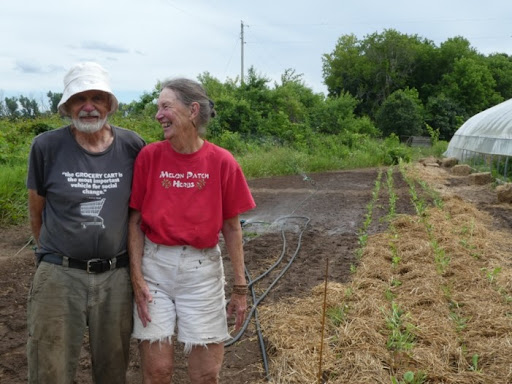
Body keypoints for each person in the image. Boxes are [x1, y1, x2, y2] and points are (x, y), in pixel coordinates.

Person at [128, 78, 256, 383]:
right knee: (157, 371)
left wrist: (239, 288)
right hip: (155, 269)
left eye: (165, 106)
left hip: (202, 273)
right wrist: (136, 278)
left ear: (193, 110)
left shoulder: (222, 162)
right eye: (158, 107)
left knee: (205, 374)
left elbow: (232, 227)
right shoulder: (149, 157)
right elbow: (134, 222)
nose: (158, 115)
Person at [26, 62, 145, 383]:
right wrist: (54, 253)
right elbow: (36, 211)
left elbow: (139, 212)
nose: (89, 107)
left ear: (109, 104)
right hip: (59, 275)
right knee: (49, 366)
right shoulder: (46, 147)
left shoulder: (133, 146)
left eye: (97, 98)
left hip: (116, 277)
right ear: (67, 107)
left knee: (113, 367)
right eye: (80, 99)